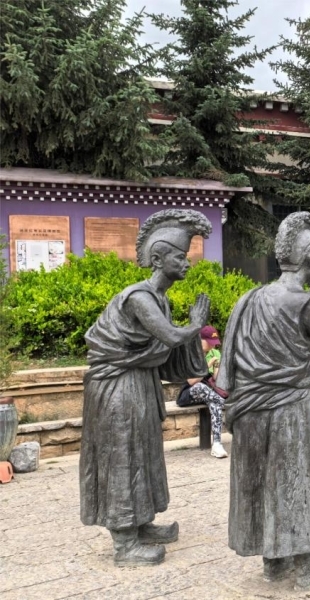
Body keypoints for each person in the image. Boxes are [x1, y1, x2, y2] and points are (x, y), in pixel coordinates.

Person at [219, 211, 310, 590]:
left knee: (259, 477)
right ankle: (305, 567)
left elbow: (230, 358)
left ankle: (273, 562)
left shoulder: (250, 298)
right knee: (294, 477)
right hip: (288, 404)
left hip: (249, 405)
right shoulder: (309, 304)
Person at [79, 209, 211, 567]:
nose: (187, 264)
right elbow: (169, 337)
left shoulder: (161, 300)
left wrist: (188, 334)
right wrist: (195, 325)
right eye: (180, 257)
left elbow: (163, 350)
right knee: (123, 456)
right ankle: (124, 543)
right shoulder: (139, 297)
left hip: (138, 384)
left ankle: (141, 523)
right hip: (117, 389)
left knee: (143, 454)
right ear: (158, 259)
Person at [179, 325, 228, 458]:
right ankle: (220, 401)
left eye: (214, 343)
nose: (213, 346)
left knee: (215, 403)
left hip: (208, 392)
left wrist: (217, 366)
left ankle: (217, 444)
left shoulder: (215, 353)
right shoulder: (191, 355)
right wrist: (208, 364)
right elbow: (191, 381)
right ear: (200, 340)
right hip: (188, 393)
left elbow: (216, 379)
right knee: (201, 387)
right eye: (210, 342)